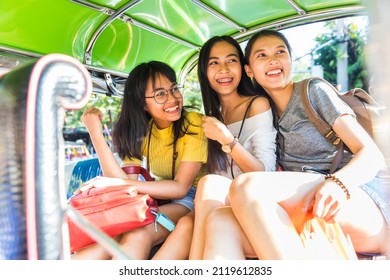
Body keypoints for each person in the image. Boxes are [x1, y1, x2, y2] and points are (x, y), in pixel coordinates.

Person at [201, 29, 390, 259]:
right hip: (311, 209)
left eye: (280, 52)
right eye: (261, 55)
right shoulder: (264, 112)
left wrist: (337, 184)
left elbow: (371, 155)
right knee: (219, 219)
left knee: (247, 186)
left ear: (290, 60)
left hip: (359, 201)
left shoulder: (312, 91)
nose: (272, 59)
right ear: (248, 69)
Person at [152, 35, 277, 260]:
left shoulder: (257, 104)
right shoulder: (210, 117)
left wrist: (227, 139)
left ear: (243, 67)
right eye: (214, 63)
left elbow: (265, 174)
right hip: (216, 202)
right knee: (184, 227)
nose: (224, 69)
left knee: (208, 184)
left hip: (250, 197)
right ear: (204, 72)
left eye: (231, 61)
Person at [72, 61, 207, 260]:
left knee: (137, 233)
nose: (173, 98)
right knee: (109, 236)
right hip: (161, 197)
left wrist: (119, 183)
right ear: (142, 103)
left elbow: (181, 188)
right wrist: (95, 132)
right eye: (160, 94)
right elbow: (120, 181)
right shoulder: (141, 130)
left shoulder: (193, 122)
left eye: (174, 89)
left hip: (194, 198)